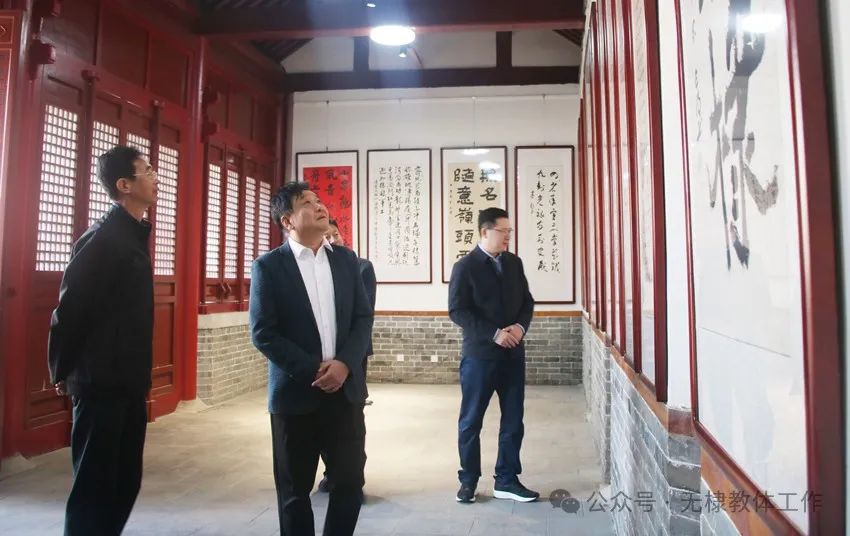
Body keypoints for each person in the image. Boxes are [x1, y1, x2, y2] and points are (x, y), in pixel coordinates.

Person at [250, 182, 373, 536]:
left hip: (344, 394)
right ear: (287, 220)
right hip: (294, 396)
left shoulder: (347, 261)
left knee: (349, 484)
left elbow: (362, 319)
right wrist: (314, 371)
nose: (320, 206)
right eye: (307, 203)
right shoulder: (269, 267)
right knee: (294, 492)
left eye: (319, 201)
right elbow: (263, 332)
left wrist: (344, 364)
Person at [48, 145, 159, 535]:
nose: (155, 177)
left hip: (128, 380)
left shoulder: (133, 235)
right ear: (124, 185)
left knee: (125, 481)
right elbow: (70, 308)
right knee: (95, 487)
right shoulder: (102, 238)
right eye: (147, 171)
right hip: (99, 381)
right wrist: (62, 368)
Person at [448, 207, 538, 504]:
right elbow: (457, 310)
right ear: (485, 231)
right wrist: (494, 333)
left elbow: (527, 302)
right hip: (480, 357)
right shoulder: (465, 267)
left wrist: (520, 328)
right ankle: (468, 480)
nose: (508, 236)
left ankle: (507, 479)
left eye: (510, 231)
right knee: (471, 421)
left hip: (513, 355)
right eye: (503, 231)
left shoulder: (513, 263)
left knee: (513, 420)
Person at [318, 219, 377, 494]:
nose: (333, 239)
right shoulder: (315, 269)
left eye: (336, 234)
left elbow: (363, 313)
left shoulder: (360, 266)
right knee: (322, 414)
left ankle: (354, 477)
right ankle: (331, 470)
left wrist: (344, 359)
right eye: (327, 236)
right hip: (322, 355)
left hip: (353, 352)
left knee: (352, 413)